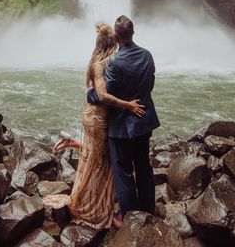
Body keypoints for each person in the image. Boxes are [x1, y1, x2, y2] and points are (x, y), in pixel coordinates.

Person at [53, 23, 145, 229]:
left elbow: (95, 92)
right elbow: (102, 96)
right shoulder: (103, 64)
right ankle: (94, 207)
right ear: (113, 43)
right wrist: (128, 105)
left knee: (97, 155)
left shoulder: (95, 60)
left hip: (90, 113)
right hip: (98, 117)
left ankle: (74, 143)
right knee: (103, 160)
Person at [88, 15, 159, 227]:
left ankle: (129, 216)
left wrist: (89, 94)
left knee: (123, 172)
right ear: (133, 33)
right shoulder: (147, 55)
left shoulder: (114, 63)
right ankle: (149, 210)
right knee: (144, 167)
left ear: (116, 37)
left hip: (121, 126)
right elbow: (150, 83)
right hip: (143, 119)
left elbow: (104, 96)